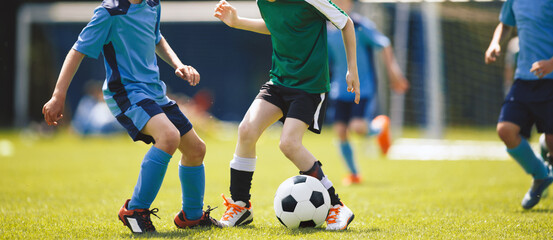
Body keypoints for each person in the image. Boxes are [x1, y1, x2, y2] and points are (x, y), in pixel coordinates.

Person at [42, 0, 222, 233]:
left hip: (155, 92)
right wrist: (58, 95)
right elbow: (77, 51)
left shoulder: (152, 5)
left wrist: (178, 64)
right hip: (126, 93)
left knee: (196, 149)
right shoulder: (109, 12)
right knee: (168, 137)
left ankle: (192, 216)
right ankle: (135, 210)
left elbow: (156, 37)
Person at [213, 0, 359, 230]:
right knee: (246, 130)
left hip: (309, 86)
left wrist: (352, 68)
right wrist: (237, 22)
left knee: (289, 144)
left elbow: (346, 23)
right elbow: (276, 25)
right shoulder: (264, 2)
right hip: (279, 81)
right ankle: (240, 206)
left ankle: (337, 206)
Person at [327, 0, 409, 185]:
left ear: (349, 3)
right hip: (339, 89)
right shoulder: (326, 30)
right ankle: (354, 174)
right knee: (340, 131)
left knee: (357, 128)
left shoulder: (360, 26)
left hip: (362, 88)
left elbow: (385, 45)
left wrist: (393, 73)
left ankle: (380, 128)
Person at [484, 0, 553, 210]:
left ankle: (547, 150)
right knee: (505, 130)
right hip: (524, 79)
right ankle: (541, 175)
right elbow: (505, 23)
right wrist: (495, 43)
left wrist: (551, 63)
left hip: (551, 79)